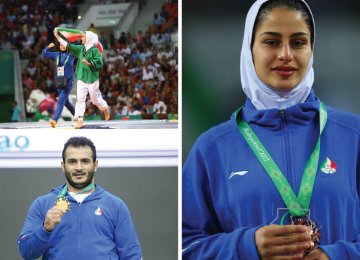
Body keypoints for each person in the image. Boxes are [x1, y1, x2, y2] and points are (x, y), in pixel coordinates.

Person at [182, 0, 360, 259]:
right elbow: (184, 247)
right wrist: (245, 247)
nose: (286, 54)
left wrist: (339, 256)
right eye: (271, 42)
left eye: (298, 42)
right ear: (249, 49)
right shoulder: (211, 148)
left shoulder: (353, 136)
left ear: (312, 50)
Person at [18, 136, 142, 259]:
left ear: (95, 164)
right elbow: (26, 252)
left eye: (85, 161)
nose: (78, 168)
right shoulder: (42, 204)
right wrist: (45, 229)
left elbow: (132, 256)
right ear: (63, 166)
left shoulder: (116, 206)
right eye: (72, 161)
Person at [53, 28, 110, 128]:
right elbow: (68, 45)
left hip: (92, 78)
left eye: (84, 37)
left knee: (95, 100)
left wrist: (88, 63)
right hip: (81, 77)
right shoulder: (80, 49)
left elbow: (99, 63)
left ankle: (105, 108)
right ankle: (80, 119)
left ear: (89, 38)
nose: (81, 38)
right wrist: (57, 36)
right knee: (80, 98)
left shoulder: (95, 50)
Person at [42, 42, 76, 128]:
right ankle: (78, 116)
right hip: (60, 80)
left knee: (61, 100)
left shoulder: (72, 54)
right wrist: (48, 47)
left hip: (69, 81)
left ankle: (54, 120)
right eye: (61, 45)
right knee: (66, 102)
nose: (62, 46)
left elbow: (82, 51)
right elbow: (44, 54)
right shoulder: (57, 54)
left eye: (64, 44)